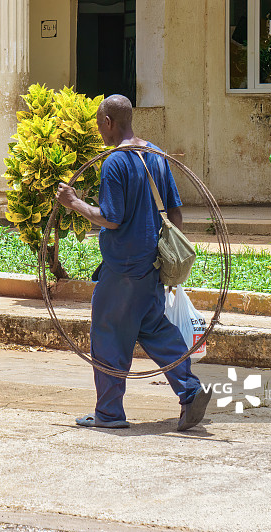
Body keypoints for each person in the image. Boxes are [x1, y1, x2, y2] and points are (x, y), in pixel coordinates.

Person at [55, 94, 211, 431]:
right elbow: (175, 213)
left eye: (99, 126)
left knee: (108, 335)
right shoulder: (155, 153)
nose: (100, 132)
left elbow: (111, 219)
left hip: (123, 269)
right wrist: (165, 257)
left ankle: (109, 414)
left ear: (108, 122)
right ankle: (190, 390)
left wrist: (73, 202)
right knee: (153, 328)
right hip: (151, 265)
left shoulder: (115, 162)